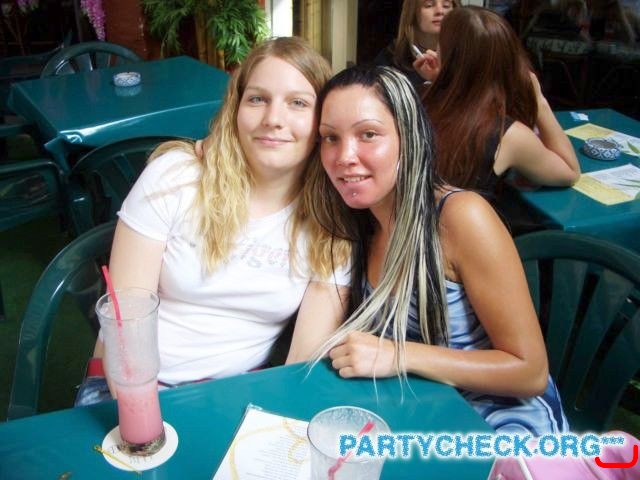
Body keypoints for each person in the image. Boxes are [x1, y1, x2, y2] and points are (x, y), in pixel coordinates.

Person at [79, 37, 351, 404]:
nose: (273, 119)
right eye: (257, 99)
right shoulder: (176, 177)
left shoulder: (331, 223)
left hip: (234, 395)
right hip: (128, 384)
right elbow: (128, 318)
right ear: (235, 109)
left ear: (322, 123)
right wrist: (143, 409)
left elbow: (302, 359)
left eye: (298, 103)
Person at [308, 64, 569, 436]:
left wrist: (399, 355)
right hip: (418, 414)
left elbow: (530, 372)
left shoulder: (461, 217)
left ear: (409, 137)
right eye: (330, 138)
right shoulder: (360, 221)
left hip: (499, 425)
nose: (343, 156)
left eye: (368, 134)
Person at [420, 7, 580, 229]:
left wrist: (440, 83)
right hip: (464, 239)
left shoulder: (422, 101)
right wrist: (540, 103)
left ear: (450, 60)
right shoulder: (507, 135)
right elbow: (569, 171)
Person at [373, 0, 460, 93]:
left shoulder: (463, 54)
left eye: (446, 6)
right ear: (412, 13)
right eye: (429, 5)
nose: (440, 11)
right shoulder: (390, 59)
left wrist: (439, 80)